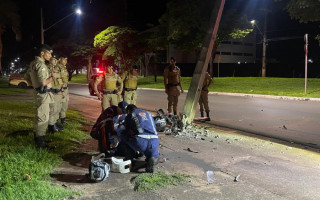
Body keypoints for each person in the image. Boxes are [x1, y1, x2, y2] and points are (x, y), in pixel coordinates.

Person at [24, 44, 57, 149]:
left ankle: (39, 138)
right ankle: (40, 144)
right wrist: (52, 77)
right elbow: (43, 82)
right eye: (49, 53)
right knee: (43, 118)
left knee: (39, 117)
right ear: (42, 53)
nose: (50, 55)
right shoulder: (41, 65)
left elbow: (26, 77)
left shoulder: (33, 63)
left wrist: (35, 86)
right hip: (42, 95)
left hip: (40, 93)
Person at [116, 104, 159, 173]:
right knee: (154, 154)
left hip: (140, 141)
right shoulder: (149, 114)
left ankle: (129, 159)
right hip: (154, 141)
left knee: (123, 134)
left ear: (128, 110)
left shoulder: (131, 115)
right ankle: (152, 158)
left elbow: (126, 129)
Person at [47, 57, 64, 133]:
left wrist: (62, 90)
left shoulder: (56, 69)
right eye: (54, 60)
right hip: (52, 91)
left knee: (57, 109)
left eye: (56, 60)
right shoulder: (47, 69)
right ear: (50, 61)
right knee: (52, 109)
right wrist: (48, 91)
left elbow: (60, 80)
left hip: (58, 91)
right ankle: (51, 126)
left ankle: (54, 124)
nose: (56, 61)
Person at [57, 56, 69, 126]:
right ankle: (57, 121)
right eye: (64, 60)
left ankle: (63, 120)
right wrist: (62, 90)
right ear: (60, 60)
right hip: (62, 89)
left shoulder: (64, 68)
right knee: (60, 106)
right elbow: (58, 79)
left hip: (66, 88)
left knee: (65, 105)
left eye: (66, 60)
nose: (66, 61)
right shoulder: (58, 68)